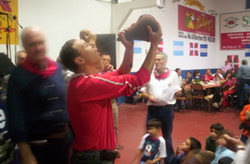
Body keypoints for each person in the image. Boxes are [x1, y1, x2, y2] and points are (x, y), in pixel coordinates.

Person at [60, 23, 162, 164]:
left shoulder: (84, 81)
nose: (94, 46)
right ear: (79, 60)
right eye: (86, 46)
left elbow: (122, 72)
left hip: (93, 156)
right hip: (93, 159)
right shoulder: (89, 84)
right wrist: (154, 44)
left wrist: (129, 47)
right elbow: (140, 79)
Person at [7, 27, 73, 164]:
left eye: (41, 42)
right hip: (38, 149)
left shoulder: (57, 69)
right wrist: (25, 152)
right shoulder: (18, 76)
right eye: (32, 44)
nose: (38, 48)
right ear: (24, 46)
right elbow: (16, 116)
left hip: (63, 144)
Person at [141, 52, 182, 164]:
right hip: (153, 109)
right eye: (155, 60)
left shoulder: (173, 74)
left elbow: (178, 90)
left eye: (159, 60)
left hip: (167, 109)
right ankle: (149, 159)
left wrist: (178, 92)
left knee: (167, 136)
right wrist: (149, 96)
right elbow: (142, 91)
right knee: (150, 135)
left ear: (165, 61)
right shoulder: (149, 74)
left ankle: (169, 161)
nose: (157, 62)